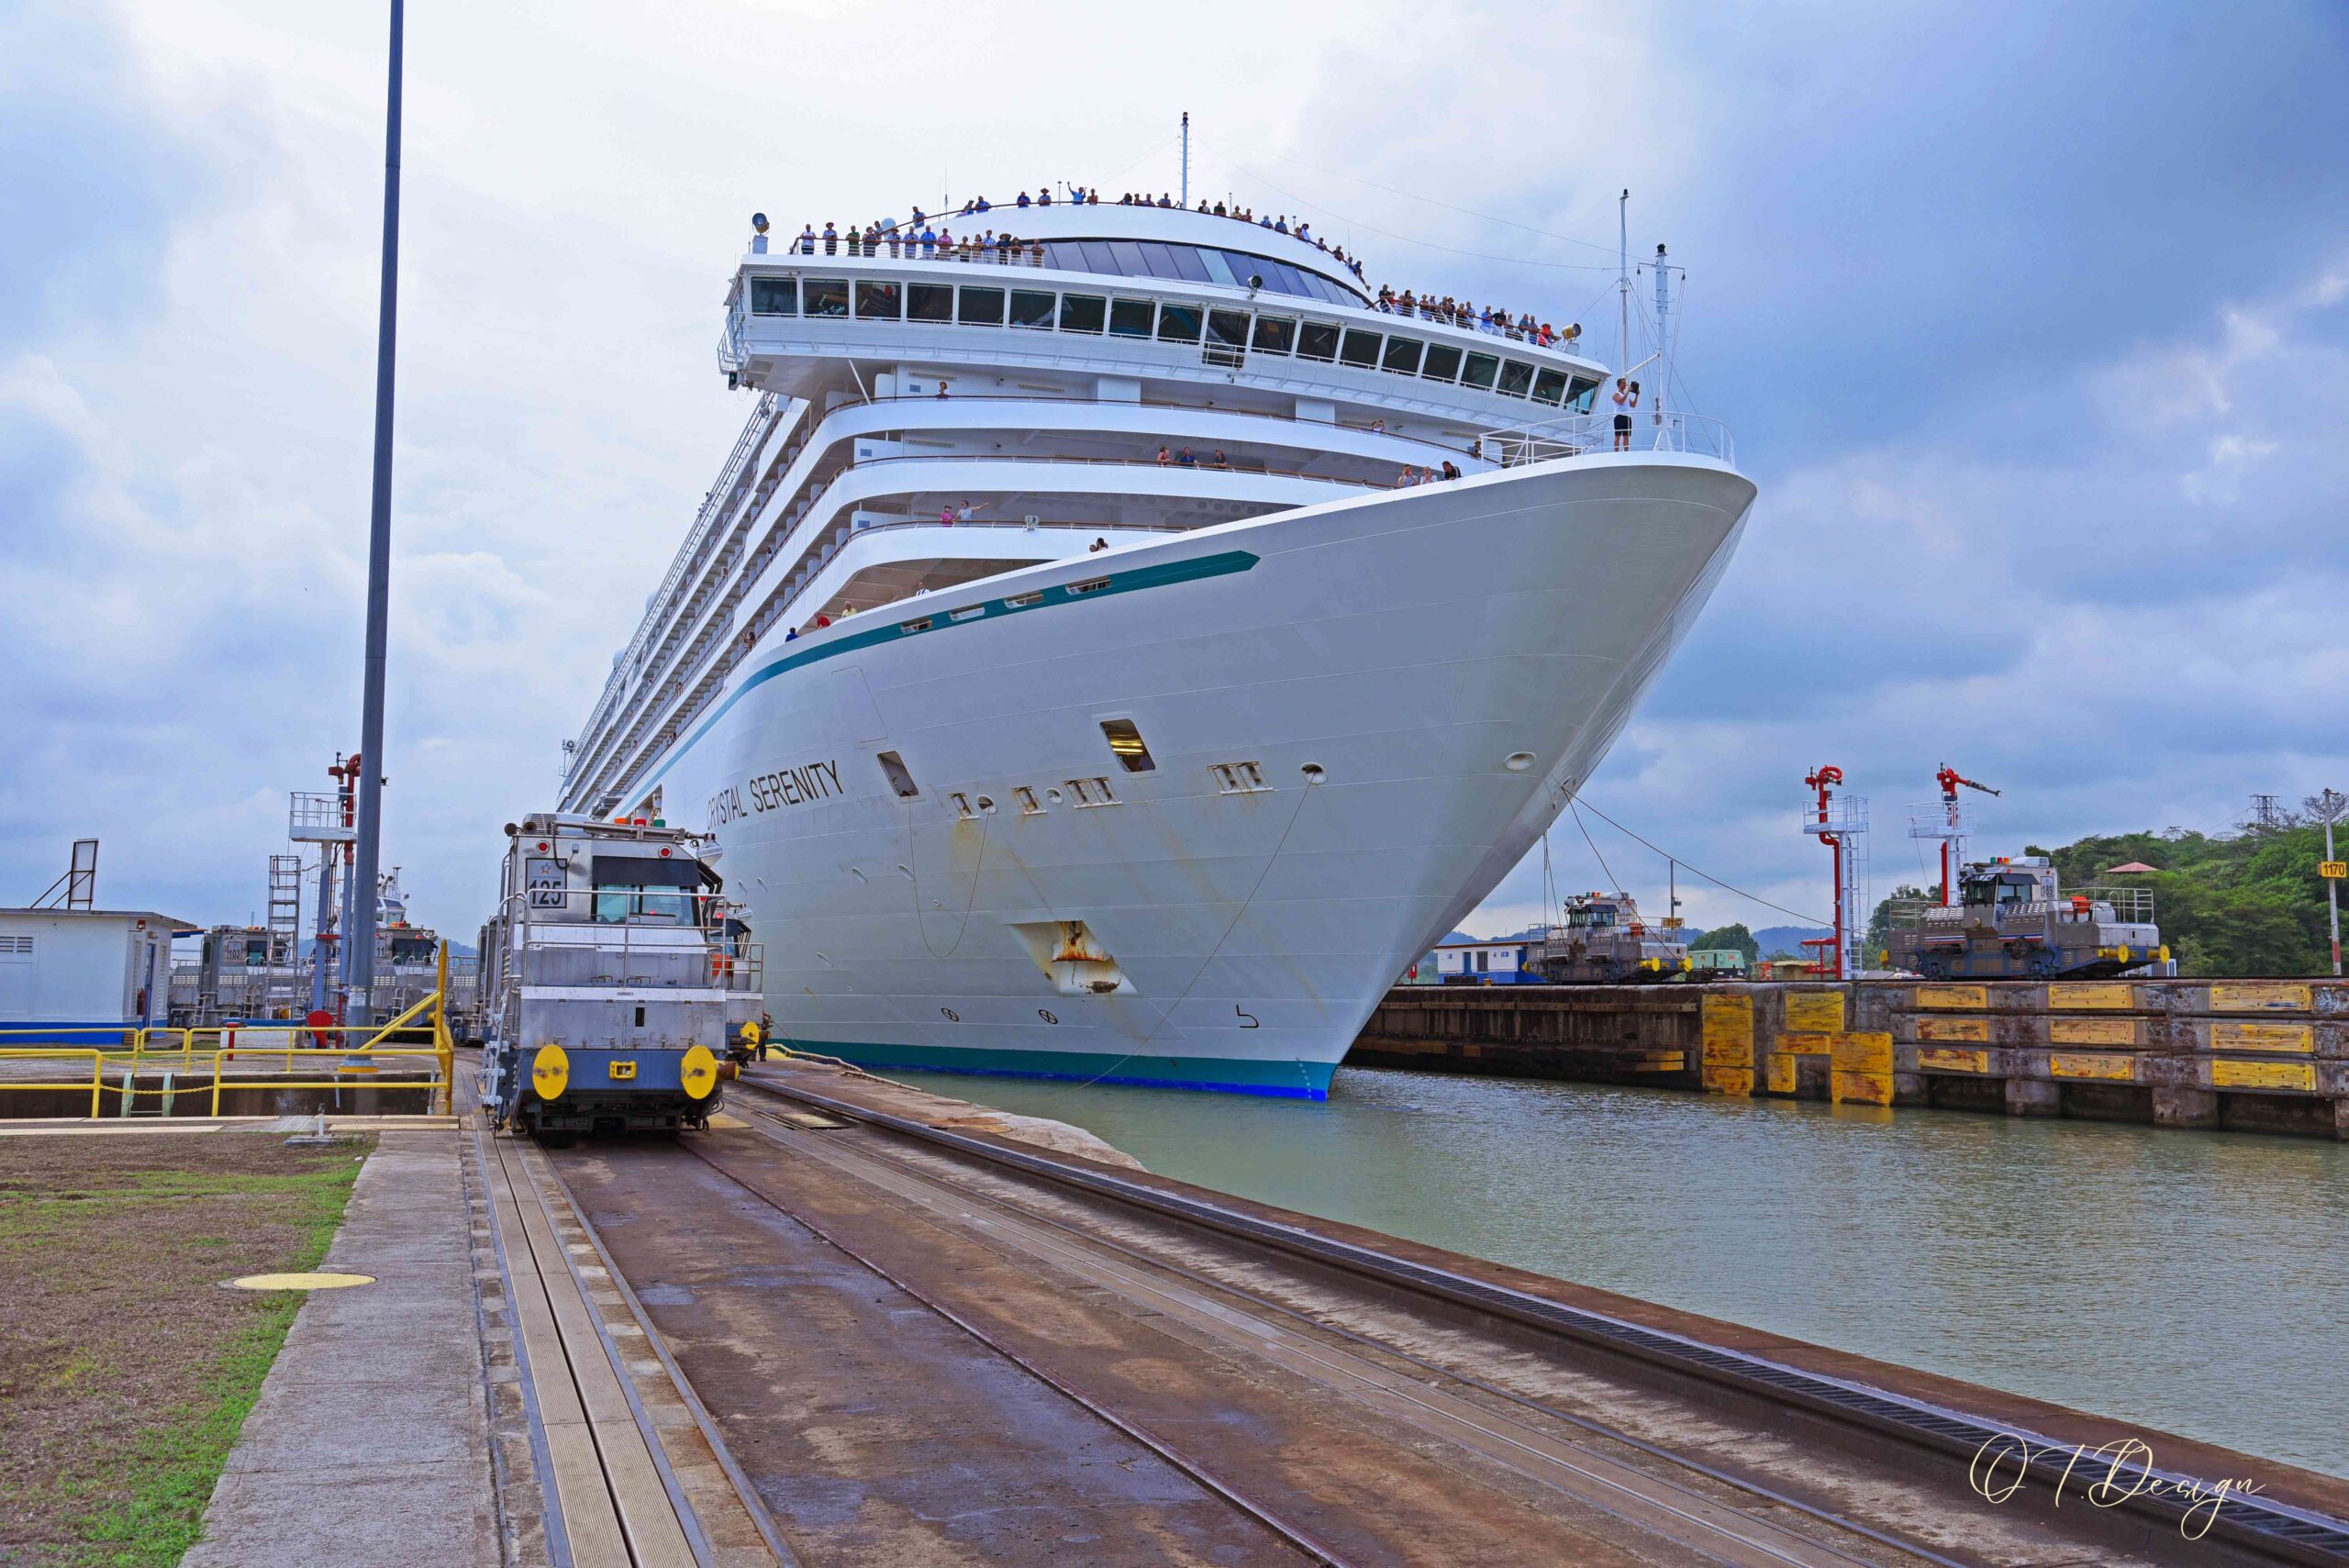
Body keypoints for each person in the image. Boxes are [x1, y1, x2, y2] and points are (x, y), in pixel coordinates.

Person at [1611, 377, 1636, 451]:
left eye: (1625, 383)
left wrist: (1637, 395)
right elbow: (1620, 401)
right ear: (1619, 384)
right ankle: (1616, 452)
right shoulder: (1616, 394)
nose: (1625, 384)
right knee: (1618, 436)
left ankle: (1626, 452)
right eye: (1623, 383)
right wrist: (1628, 392)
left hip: (1627, 417)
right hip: (1619, 416)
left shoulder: (1626, 396)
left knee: (1626, 436)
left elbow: (1633, 405)